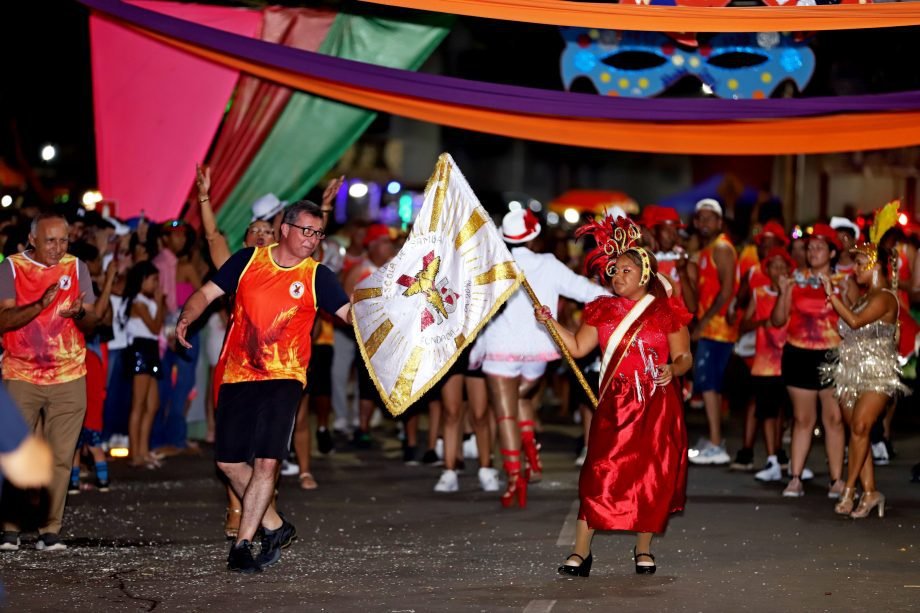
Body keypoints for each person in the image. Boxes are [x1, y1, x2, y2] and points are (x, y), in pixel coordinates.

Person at [176, 200, 350, 573]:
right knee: (228, 462)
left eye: (318, 233)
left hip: (285, 376)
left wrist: (389, 316)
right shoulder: (247, 261)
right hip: (239, 373)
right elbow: (206, 294)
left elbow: (350, 314)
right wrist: (186, 316)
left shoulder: (318, 275)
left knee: (267, 461)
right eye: (306, 231)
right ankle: (275, 526)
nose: (312, 239)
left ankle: (243, 543)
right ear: (285, 229)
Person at [535, 215, 692, 577]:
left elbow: (684, 356)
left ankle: (643, 549)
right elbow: (575, 347)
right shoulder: (602, 311)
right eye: (614, 270)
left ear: (644, 275)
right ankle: (581, 552)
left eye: (625, 270)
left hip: (656, 401)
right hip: (616, 403)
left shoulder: (666, 312)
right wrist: (549, 322)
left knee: (651, 475)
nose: (616, 276)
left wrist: (675, 369)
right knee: (599, 472)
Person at [478, 209, 606, 509]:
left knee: (506, 412)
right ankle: (531, 457)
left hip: (499, 349)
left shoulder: (493, 264)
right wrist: (628, 296)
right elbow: (588, 292)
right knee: (522, 401)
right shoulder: (548, 264)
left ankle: (514, 479)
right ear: (535, 236)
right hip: (539, 349)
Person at [0, 212, 99, 551]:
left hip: (69, 374)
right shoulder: (11, 267)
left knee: (60, 455)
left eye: (63, 240)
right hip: (20, 373)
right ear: (32, 240)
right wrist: (40, 305)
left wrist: (82, 314)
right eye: (50, 241)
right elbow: (3, 319)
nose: (58, 248)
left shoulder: (77, 267)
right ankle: (10, 528)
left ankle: (49, 529)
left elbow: (94, 318)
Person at [821, 206, 910, 518]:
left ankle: (849, 491)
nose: (854, 268)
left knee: (860, 427)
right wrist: (842, 300)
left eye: (858, 262)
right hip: (851, 373)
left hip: (877, 376)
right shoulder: (862, 296)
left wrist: (833, 299)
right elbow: (849, 325)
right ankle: (870, 492)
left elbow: (856, 323)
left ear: (874, 264)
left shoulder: (884, 297)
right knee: (857, 433)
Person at [772, 223, 846, 498]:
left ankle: (836, 481)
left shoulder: (843, 282)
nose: (813, 251)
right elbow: (778, 320)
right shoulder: (794, 280)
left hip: (832, 355)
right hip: (799, 353)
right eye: (809, 247)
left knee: (834, 419)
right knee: (803, 419)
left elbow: (852, 318)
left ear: (832, 252)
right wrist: (783, 292)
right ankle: (795, 478)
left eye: (819, 247)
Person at [688, 199, 738, 465]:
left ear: (719, 222)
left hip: (718, 330)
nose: (704, 223)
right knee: (710, 385)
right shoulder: (707, 249)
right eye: (700, 218)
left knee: (708, 384)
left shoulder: (722, 248)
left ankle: (717, 443)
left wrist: (704, 322)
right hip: (711, 328)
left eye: (710, 218)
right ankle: (714, 438)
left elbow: (727, 290)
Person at [743, 247, 794, 483]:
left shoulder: (795, 292)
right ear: (767, 270)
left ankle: (792, 461)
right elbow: (744, 324)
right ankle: (772, 459)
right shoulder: (759, 292)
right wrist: (762, 323)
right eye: (774, 266)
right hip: (765, 363)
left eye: (783, 266)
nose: (779, 270)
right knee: (767, 413)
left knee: (789, 413)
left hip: (792, 359)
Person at [120, 261, 166, 469]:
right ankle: (135, 452)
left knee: (152, 404)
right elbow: (155, 327)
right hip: (140, 349)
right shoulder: (137, 303)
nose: (157, 284)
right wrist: (160, 303)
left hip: (150, 349)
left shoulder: (145, 302)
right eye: (153, 280)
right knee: (138, 403)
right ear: (142, 280)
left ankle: (143, 450)